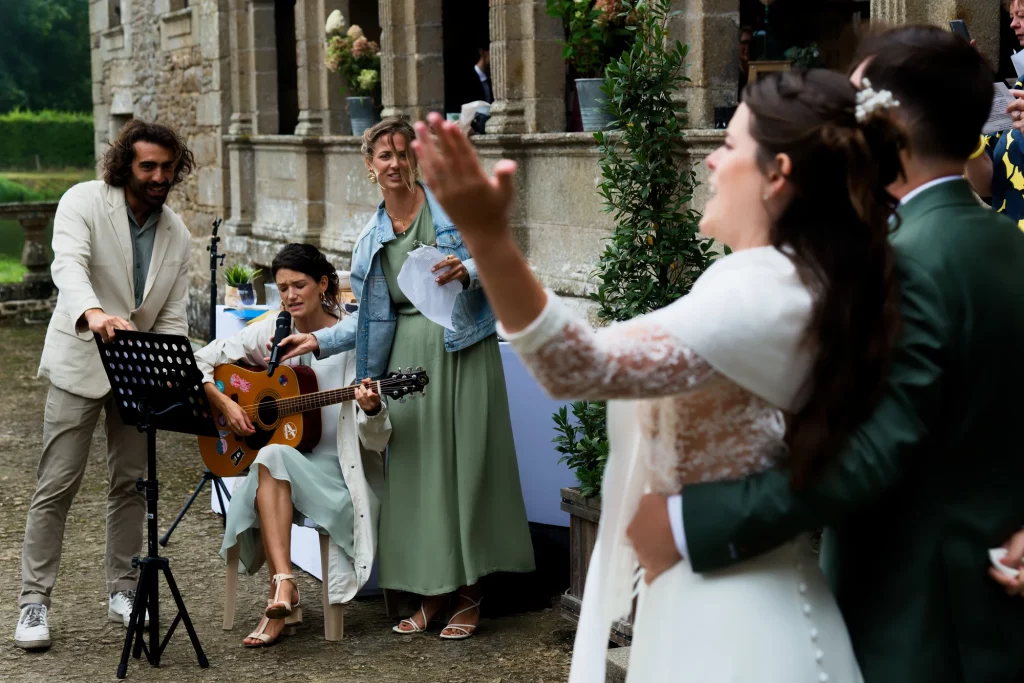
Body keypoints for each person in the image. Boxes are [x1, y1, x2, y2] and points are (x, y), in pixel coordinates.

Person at [410, 61, 906, 680]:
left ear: (777, 175)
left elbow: (577, 366)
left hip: (742, 633)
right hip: (704, 607)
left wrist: (489, 239)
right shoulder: (780, 277)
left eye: (727, 143)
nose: (709, 161)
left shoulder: (766, 290)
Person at [641, 25, 1024, 683]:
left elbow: (873, 450)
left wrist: (686, 523)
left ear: (893, 128)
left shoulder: (907, 264)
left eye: (851, 110)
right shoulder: (1007, 244)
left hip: (917, 619)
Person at [275, 118, 534, 640]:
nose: (394, 164)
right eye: (384, 156)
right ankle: (432, 590)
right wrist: (318, 340)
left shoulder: (452, 207)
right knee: (417, 478)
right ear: (370, 167)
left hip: (463, 348)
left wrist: (468, 269)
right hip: (405, 366)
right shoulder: (370, 240)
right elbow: (369, 319)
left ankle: (470, 593)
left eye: (402, 153)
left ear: (415, 159)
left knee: (468, 469)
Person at [16, 120, 194, 650]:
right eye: (148, 166)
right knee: (57, 484)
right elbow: (67, 264)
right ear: (126, 165)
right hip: (80, 362)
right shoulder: (84, 201)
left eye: (167, 166)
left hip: (137, 377)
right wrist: (93, 312)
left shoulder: (178, 233)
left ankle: (122, 590)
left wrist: (168, 372)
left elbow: (171, 317)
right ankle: (32, 602)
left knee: (131, 486)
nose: (159, 176)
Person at [194, 243, 390, 647]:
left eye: (299, 285)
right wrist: (225, 403)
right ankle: (286, 585)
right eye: (282, 287)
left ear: (323, 284)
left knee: (269, 461)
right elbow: (200, 360)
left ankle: (282, 594)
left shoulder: (356, 342)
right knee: (271, 458)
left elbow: (378, 441)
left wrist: (372, 410)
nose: (290, 296)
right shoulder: (274, 329)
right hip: (282, 465)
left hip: (338, 472)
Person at [965, 0, 1024, 223]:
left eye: (1022, 16)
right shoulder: (1021, 84)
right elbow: (987, 187)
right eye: (1012, 16)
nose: (1012, 25)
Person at [738, 25, 753, 99]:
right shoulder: (733, 73)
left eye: (750, 43)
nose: (747, 47)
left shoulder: (757, 69)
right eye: (744, 43)